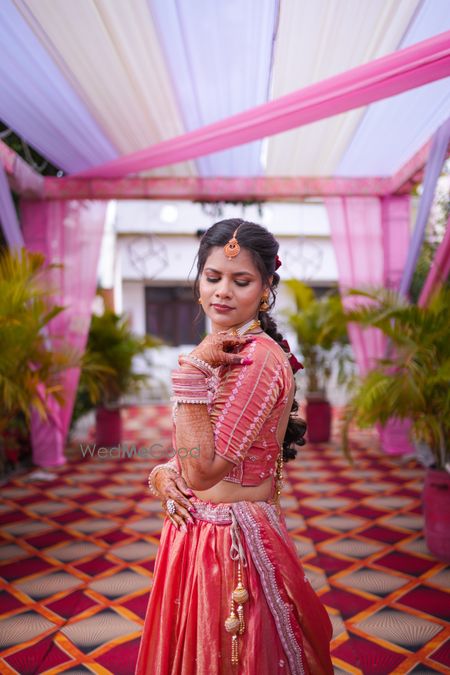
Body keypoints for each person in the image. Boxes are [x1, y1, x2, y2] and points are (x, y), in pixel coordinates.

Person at [135, 219, 333, 675]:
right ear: (199, 282)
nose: (222, 291)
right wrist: (166, 471)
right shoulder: (223, 346)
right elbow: (204, 446)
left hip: (229, 545)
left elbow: (205, 471)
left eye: (241, 281)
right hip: (201, 535)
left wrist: (190, 372)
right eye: (213, 277)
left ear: (265, 289)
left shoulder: (256, 358)